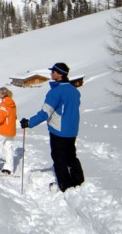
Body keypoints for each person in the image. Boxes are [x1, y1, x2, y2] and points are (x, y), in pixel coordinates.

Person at [20, 62, 85, 192]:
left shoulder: (55, 92)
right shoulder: (74, 91)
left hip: (58, 130)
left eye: (53, 72)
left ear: (60, 74)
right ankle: (78, 178)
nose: (51, 74)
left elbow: (45, 113)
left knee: (59, 157)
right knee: (71, 155)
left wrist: (29, 123)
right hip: (72, 129)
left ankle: (65, 184)